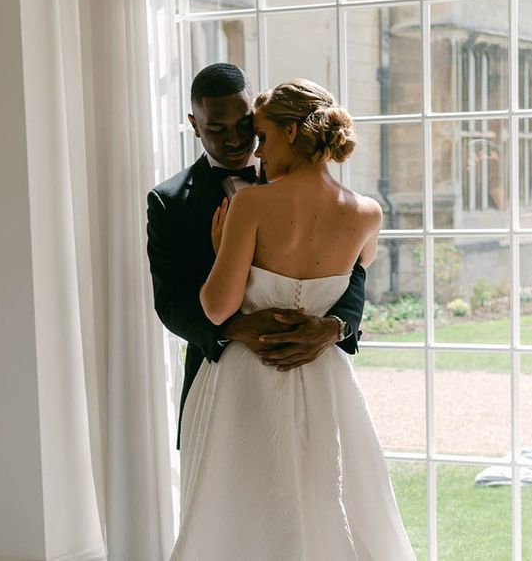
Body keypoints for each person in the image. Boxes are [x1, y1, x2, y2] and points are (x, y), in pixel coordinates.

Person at [171, 78, 416, 559]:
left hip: (247, 377)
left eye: (261, 136)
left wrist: (224, 253)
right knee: (332, 500)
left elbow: (216, 308)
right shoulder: (368, 212)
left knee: (240, 512)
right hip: (326, 381)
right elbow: (352, 280)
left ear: (290, 133)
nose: (257, 154)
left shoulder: (253, 203)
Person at [146, 63, 366, 450]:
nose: (236, 140)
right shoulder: (169, 202)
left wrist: (335, 328)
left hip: (313, 372)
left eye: (246, 126)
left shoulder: (306, 183)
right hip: (222, 377)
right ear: (194, 124)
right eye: (216, 128)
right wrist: (235, 328)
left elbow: (353, 272)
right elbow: (170, 300)